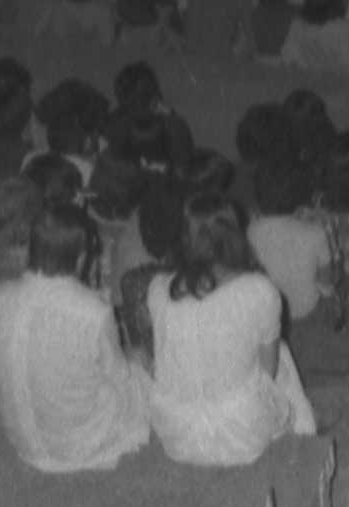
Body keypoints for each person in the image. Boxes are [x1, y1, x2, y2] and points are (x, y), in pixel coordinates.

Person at [131, 196, 319, 467]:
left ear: (185, 236)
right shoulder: (258, 290)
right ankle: (304, 433)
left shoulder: (158, 287)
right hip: (243, 435)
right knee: (281, 352)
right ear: (235, 234)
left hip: (175, 434)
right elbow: (269, 372)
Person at [0, 205, 150, 473]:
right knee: (141, 366)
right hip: (76, 444)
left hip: (19, 440)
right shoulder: (93, 311)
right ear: (82, 257)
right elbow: (119, 377)